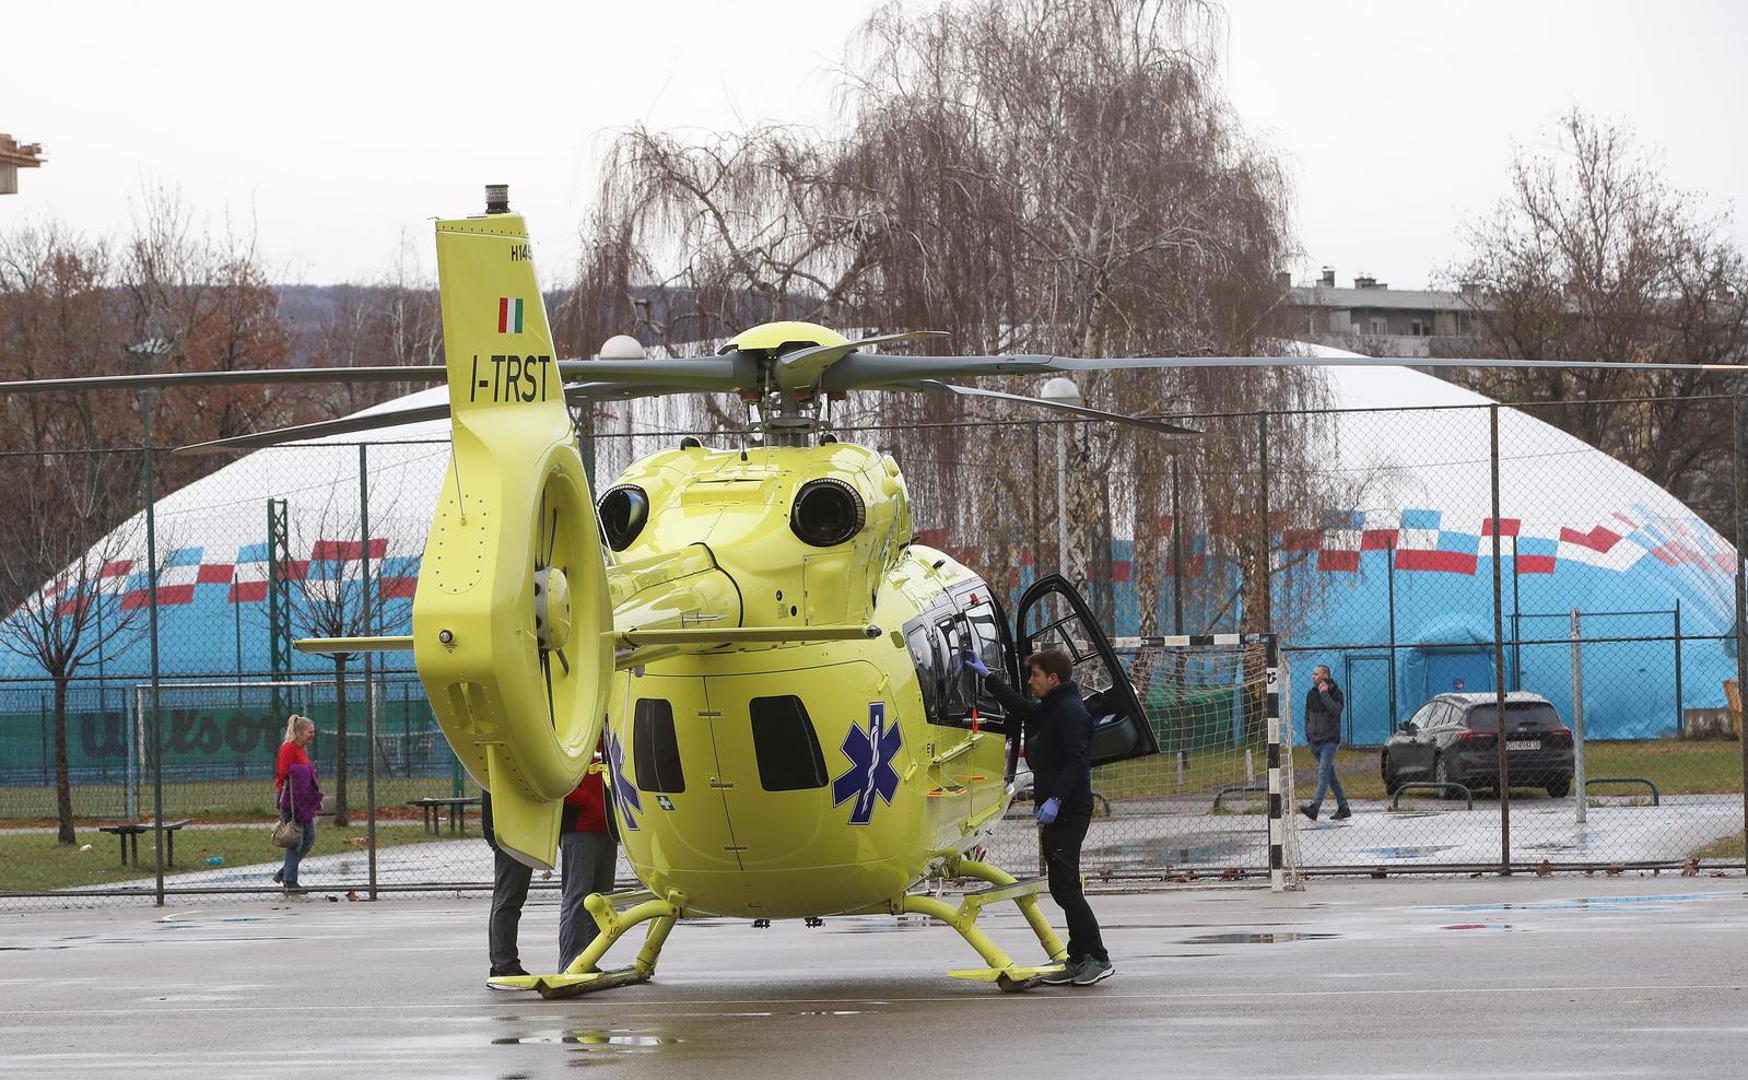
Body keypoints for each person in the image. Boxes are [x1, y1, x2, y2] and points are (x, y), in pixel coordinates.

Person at [963, 646, 1113, 987]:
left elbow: (1077, 762)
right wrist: (987, 677)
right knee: (1062, 886)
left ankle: (1097, 957)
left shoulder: (1071, 713)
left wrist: (1056, 799)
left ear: (1053, 678)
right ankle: (1078, 957)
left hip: (1070, 809)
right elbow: (1022, 708)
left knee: (1067, 887)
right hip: (1058, 810)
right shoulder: (1053, 706)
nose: (1031, 681)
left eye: (1035, 676)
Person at [558, 748, 618, 972]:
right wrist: (581, 799)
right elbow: (556, 775)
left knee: (600, 899)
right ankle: (571, 961)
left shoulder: (606, 738)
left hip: (606, 827)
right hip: (580, 828)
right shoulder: (576, 736)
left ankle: (588, 959)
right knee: (577, 897)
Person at [481, 787, 534, 984]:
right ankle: (504, 963)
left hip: (509, 829)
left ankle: (503, 962)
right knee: (508, 899)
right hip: (510, 831)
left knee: (507, 898)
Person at [273, 714, 320, 895]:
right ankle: (290, 881)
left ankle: (286, 871)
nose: (312, 735)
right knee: (295, 840)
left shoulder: (301, 749)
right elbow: (284, 772)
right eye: (310, 732)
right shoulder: (288, 748)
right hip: (291, 800)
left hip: (303, 800)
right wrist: (305, 772)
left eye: (313, 732)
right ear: (299, 732)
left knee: (309, 838)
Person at [1299, 664, 1351, 821]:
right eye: (1313, 674)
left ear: (1325, 676)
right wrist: (1309, 735)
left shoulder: (1335, 692)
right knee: (1330, 776)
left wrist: (1325, 694)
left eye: (1316, 674)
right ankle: (1344, 807)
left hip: (1329, 741)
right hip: (1315, 742)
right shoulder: (1311, 694)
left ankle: (1315, 808)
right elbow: (1307, 715)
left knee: (1323, 773)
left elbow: (1336, 710)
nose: (1313, 676)